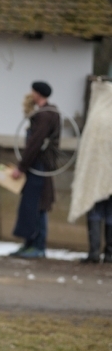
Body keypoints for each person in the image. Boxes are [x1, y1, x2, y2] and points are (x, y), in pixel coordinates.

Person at [10, 82, 61, 258]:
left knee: (38, 205)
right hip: (36, 165)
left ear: (38, 93)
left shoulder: (45, 115)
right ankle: (29, 243)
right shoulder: (44, 113)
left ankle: (38, 245)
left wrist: (21, 167)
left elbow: (35, 143)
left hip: (39, 165)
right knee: (31, 204)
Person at [68, 79, 112, 263]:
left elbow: (88, 148)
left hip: (95, 175)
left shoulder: (97, 117)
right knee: (110, 213)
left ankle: (94, 252)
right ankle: (110, 253)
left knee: (95, 211)